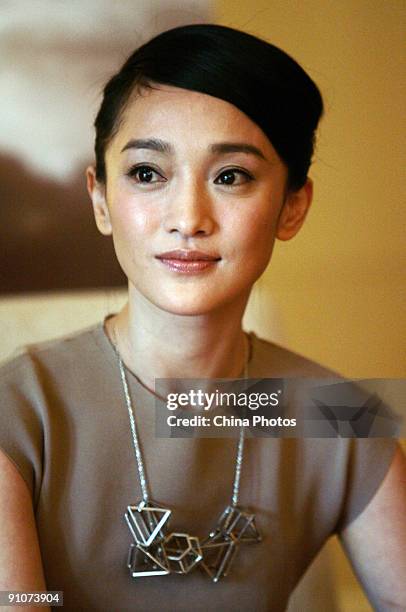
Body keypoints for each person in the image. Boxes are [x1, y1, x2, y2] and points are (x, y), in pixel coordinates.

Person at [0, 24, 405, 612]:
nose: (188, 217)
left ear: (293, 206)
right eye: (146, 173)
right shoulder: (20, 411)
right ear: (99, 198)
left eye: (230, 176)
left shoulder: (342, 414)